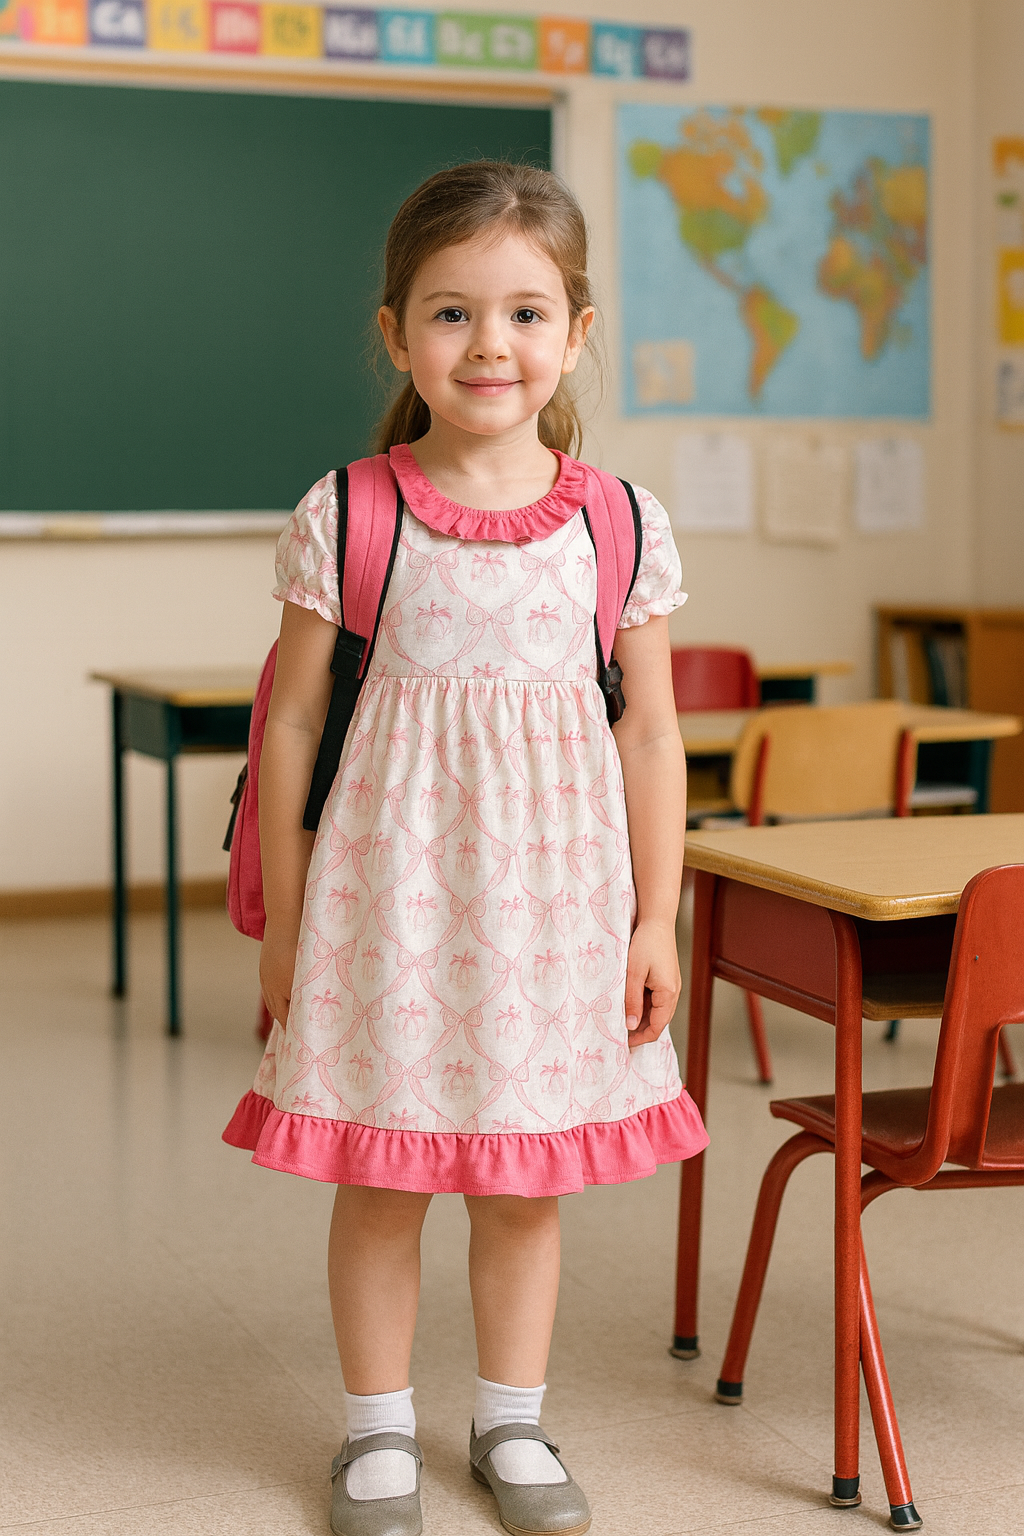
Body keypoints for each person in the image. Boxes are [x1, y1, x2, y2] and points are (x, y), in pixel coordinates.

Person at [224, 160, 708, 1536]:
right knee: (384, 1181)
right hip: (390, 910)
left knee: (522, 1185)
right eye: (449, 314)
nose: (489, 344)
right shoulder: (349, 511)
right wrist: (290, 927)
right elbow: (295, 726)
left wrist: (656, 920)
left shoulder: (619, 522)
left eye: (523, 313)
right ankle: (377, 1435)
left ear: (577, 330)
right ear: (396, 333)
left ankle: (510, 1422)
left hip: (558, 914)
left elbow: (652, 739)